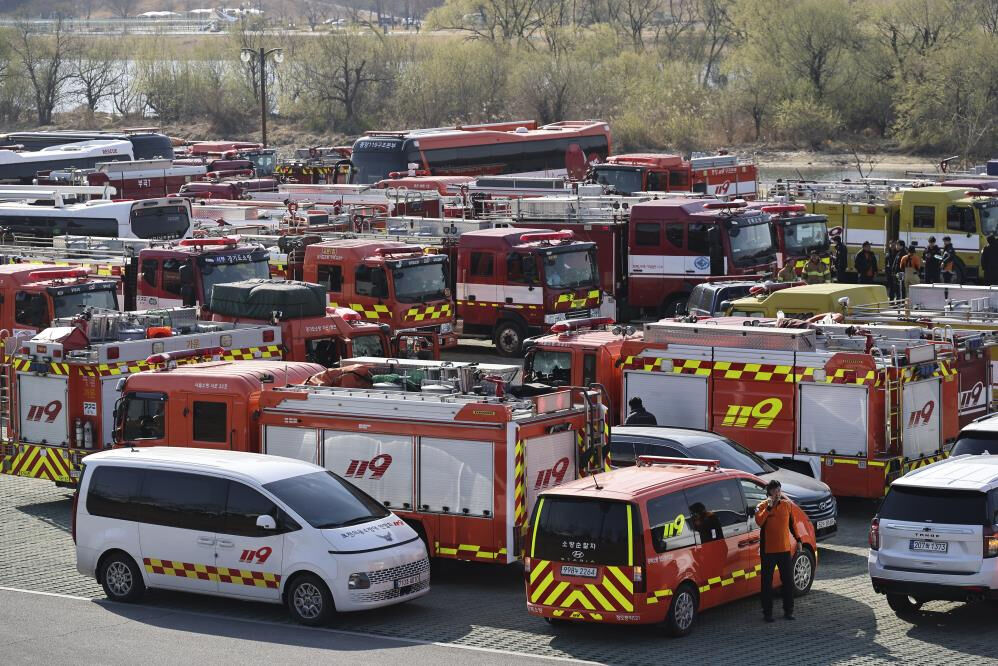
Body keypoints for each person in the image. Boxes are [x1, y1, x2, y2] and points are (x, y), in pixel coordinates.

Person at [755, 479, 802, 622]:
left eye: (779, 491)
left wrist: (799, 540)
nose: (777, 494)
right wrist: (769, 508)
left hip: (784, 550)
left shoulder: (787, 505)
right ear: (769, 492)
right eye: (774, 492)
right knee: (766, 583)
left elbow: (792, 525)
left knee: (787, 581)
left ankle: (789, 611)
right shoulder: (761, 506)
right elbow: (759, 522)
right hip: (768, 551)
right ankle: (767, 613)